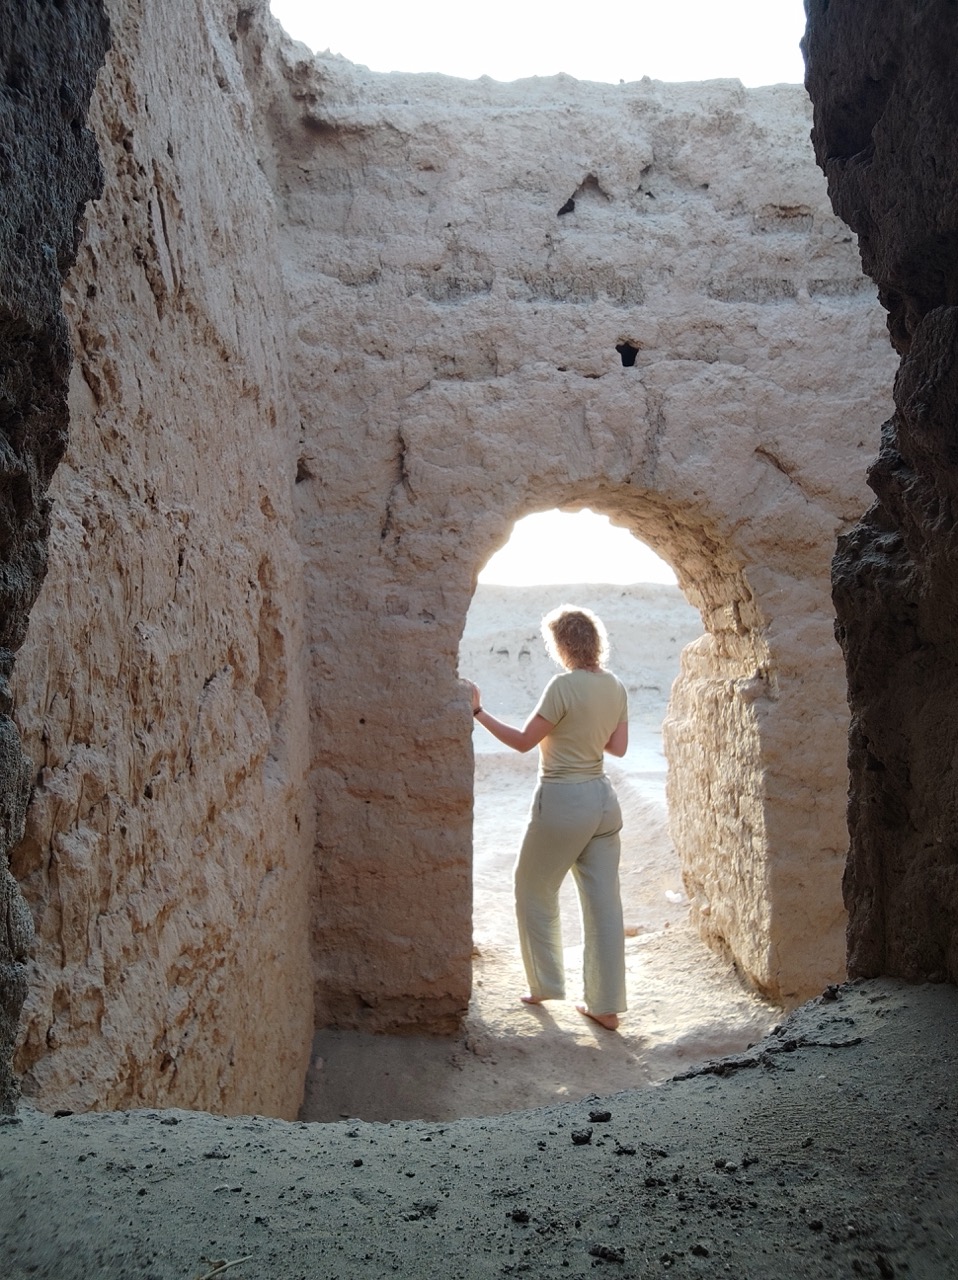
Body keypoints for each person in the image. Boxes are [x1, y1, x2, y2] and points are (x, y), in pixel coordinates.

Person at [467, 604, 629, 1031]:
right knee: (604, 904)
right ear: (595, 642)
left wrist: (478, 713)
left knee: (533, 887)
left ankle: (545, 985)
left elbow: (523, 742)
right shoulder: (615, 686)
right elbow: (618, 747)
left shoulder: (562, 686)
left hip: (563, 800)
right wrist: (586, 729)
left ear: (560, 645)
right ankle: (606, 1007)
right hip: (603, 801)